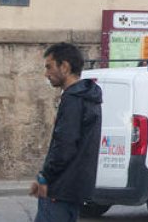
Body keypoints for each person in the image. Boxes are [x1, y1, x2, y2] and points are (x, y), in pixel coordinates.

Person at [29, 42, 103, 222]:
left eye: (49, 66)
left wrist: (44, 177)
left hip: (59, 190)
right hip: (75, 189)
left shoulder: (72, 99)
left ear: (65, 66)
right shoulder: (88, 96)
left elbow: (64, 146)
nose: (46, 74)